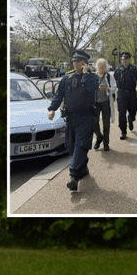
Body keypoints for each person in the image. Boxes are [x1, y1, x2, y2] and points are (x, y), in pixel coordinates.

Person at [48, 50, 100, 192]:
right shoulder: (67, 78)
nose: (75, 64)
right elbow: (59, 94)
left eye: (78, 62)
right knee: (70, 146)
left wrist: (86, 74)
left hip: (85, 117)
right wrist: (52, 109)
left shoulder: (92, 78)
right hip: (71, 118)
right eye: (74, 61)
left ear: (85, 64)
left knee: (80, 145)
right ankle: (82, 166)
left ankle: (74, 177)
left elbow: (92, 88)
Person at [113, 52, 137, 139]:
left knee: (133, 110)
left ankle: (130, 119)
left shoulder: (134, 69)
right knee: (121, 113)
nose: (124, 61)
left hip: (131, 93)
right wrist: (112, 93)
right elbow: (112, 82)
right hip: (121, 93)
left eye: (126, 59)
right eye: (123, 59)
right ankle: (123, 131)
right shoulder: (118, 69)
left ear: (129, 60)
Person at [93, 58, 116, 151]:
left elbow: (114, 87)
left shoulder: (110, 77)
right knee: (94, 123)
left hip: (106, 102)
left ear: (106, 68)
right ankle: (99, 137)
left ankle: (106, 143)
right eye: (99, 67)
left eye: (103, 67)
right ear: (97, 68)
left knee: (106, 124)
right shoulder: (93, 77)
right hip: (96, 103)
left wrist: (107, 89)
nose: (101, 69)